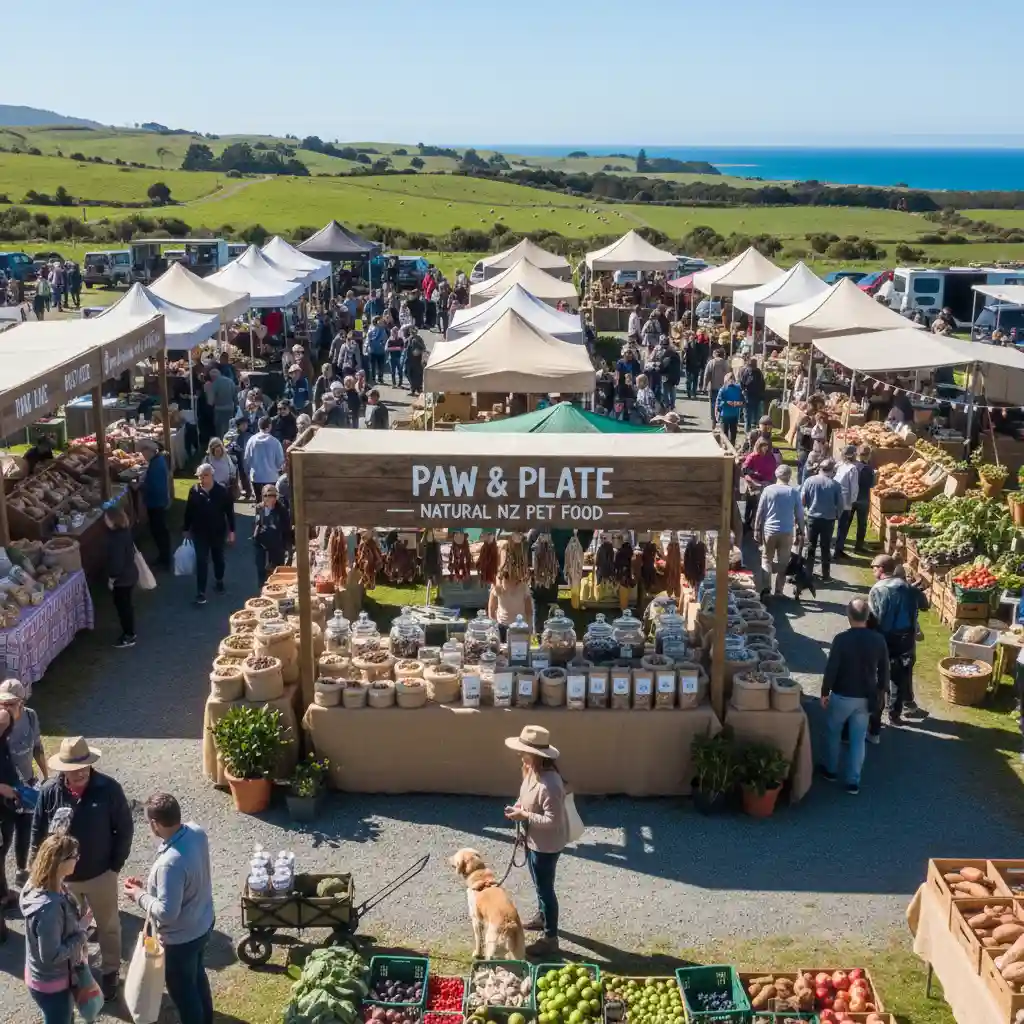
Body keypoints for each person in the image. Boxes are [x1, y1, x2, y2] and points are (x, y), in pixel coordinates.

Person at [30, 737, 133, 1002]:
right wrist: (36, 865)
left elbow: (124, 829)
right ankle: (79, 972)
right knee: (71, 931)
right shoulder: (50, 791)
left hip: (101, 875)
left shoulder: (109, 789)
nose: (81, 771)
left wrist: (114, 867)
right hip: (64, 880)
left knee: (109, 926)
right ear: (62, 769)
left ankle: (110, 971)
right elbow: (38, 829)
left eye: (85, 765)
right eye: (74, 767)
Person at [123, 794, 215, 1024]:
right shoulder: (196, 832)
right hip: (203, 923)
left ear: (155, 824)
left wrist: (139, 895)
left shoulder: (169, 864)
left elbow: (166, 912)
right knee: (197, 978)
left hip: (182, 939)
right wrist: (151, 889)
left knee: (184, 994)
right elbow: (183, 884)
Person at [503, 725, 568, 957]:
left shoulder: (550, 784)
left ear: (537, 755)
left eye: (524, 751)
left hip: (546, 846)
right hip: (534, 840)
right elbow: (525, 796)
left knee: (545, 889)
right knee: (540, 885)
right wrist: (518, 807)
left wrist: (525, 816)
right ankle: (543, 917)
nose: (521, 755)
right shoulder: (532, 772)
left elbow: (554, 820)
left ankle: (551, 938)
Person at [819, 598, 890, 794]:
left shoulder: (841, 639)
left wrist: (825, 692)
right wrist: (882, 692)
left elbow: (832, 668)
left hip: (842, 694)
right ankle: (853, 781)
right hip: (866, 697)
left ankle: (831, 770)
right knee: (858, 739)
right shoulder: (878, 640)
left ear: (848, 616)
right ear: (868, 617)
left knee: (833, 732)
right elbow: (885, 668)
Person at [21, 833, 89, 1024]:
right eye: (75, 856)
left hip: (41, 978)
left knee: (64, 1017)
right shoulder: (49, 909)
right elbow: (51, 956)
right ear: (60, 862)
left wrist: (76, 918)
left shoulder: (36, 884)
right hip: (53, 985)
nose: (78, 859)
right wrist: (81, 932)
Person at [869, 554, 929, 728]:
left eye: (874, 567)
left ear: (881, 569)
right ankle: (895, 715)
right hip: (905, 639)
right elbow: (925, 606)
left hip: (883, 638)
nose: (873, 570)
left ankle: (876, 716)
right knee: (900, 677)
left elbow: (873, 617)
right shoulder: (908, 588)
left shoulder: (877, 589)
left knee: (880, 676)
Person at [0, 680, 45, 894]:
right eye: (2, 703)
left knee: (26, 829)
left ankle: (20, 870)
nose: (5, 708)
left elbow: (37, 746)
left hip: (27, 784)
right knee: (4, 838)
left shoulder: (31, 716)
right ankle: (3, 891)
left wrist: (46, 776)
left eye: (11, 704)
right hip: (6, 792)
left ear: (22, 702)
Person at [182, 463, 235, 606]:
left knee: (218, 558)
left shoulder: (222, 491)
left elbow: (229, 513)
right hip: (199, 532)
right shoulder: (194, 491)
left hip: (218, 532)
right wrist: (186, 528)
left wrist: (232, 531)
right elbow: (189, 511)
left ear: (212, 475)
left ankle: (219, 580)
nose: (202, 479)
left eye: (204, 475)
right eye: (199, 476)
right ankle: (201, 592)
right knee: (201, 561)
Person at [754, 464, 804, 599]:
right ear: (789, 476)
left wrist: (757, 528)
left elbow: (760, 511)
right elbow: (799, 514)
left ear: (776, 475)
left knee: (766, 559)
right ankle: (779, 591)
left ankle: (766, 588)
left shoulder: (768, 490)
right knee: (783, 562)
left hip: (769, 530)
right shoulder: (794, 492)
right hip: (787, 532)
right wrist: (801, 531)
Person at [801, 458, 843, 582]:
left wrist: (804, 511)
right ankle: (826, 576)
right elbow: (840, 504)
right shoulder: (835, 485)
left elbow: (802, 499)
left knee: (810, 547)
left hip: (812, 518)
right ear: (831, 470)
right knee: (825, 548)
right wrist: (837, 515)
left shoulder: (809, 481)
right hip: (828, 520)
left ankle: (808, 573)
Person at [104, 506, 138, 649]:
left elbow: (116, 563)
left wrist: (112, 579)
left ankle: (128, 635)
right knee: (127, 605)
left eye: (106, 518)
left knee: (123, 606)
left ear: (113, 520)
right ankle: (130, 632)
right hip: (130, 574)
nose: (105, 521)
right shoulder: (125, 532)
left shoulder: (115, 538)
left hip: (122, 579)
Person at [487, 542, 535, 640]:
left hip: (520, 627)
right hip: (502, 627)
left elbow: (529, 610)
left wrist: (529, 628)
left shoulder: (523, 585)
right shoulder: (498, 585)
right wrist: (494, 627)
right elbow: (491, 609)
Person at [252, 483, 292, 588]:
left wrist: (288, 548)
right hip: (261, 541)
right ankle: (262, 588)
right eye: (266, 496)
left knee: (276, 569)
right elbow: (257, 522)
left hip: (276, 543)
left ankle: (276, 588)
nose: (269, 498)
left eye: (272, 495)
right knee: (260, 567)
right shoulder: (259, 507)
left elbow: (287, 528)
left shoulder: (281, 510)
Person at [741, 437, 779, 531]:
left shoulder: (770, 457)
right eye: (763, 446)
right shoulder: (752, 457)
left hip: (767, 484)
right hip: (754, 484)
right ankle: (747, 523)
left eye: (766, 447)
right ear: (759, 446)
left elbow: (774, 471)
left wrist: (772, 483)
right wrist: (752, 481)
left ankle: (757, 525)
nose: (765, 449)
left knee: (762, 507)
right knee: (751, 504)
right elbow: (745, 471)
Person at [244, 417, 285, 501]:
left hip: (256, 477)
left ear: (258, 426)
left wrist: (248, 473)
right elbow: (280, 462)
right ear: (270, 426)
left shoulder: (251, 440)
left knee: (259, 501)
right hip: (271, 477)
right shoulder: (275, 442)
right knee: (271, 502)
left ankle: (259, 514)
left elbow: (246, 460)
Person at [832, 444, 861, 560]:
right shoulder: (852, 469)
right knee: (842, 527)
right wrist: (853, 501)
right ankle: (838, 550)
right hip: (846, 501)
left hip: (836, 498)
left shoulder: (840, 466)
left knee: (833, 524)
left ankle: (834, 547)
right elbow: (854, 487)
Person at [853, 446, 876, 553]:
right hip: (862, 498)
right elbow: (870, 484)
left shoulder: (853, 465)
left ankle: (840, 545)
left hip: (852, 497)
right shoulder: (867, 469)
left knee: (846, 523)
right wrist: (875, 476)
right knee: (861, 524)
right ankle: (858, 547)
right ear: (868, 455)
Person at [203, 366, 236, 440]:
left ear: (212, 377)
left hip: (219, 410)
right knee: (229, 429)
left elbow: (210, 402)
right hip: (230, 409)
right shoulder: (230, 381)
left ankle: (221, 447)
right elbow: (235, 397)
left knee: (220, 431)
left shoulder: (214, 384)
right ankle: (229, 446)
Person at [702, 347, 729, 424]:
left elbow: (706, 375)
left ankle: (714, 419)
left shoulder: (711, 362)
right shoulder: (725, 363)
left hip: (712, 387)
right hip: (723, 387)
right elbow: (728, 375)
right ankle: (721, 418)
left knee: (713, 404)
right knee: (722, 403)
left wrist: (704, 386)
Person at [739, 356, 766, 430]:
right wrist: (744, 391)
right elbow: (742, 384)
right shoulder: (745, 372)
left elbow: (762, 384)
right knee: (748, 417)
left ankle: (756, 433)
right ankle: (748, 433)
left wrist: (761, 395)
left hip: (757, 397)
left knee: (757, 418)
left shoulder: (759, 372)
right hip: (748, 398)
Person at [715, 373, 744, 444]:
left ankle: (728, 448)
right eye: (730, 379)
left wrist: (739, 403)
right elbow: (719, 403)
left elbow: (742, 401)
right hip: (728, 415)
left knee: (730, 435)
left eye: (732, 379)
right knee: (728, 435)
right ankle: (728, 448)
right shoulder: (725, 389)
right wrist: (728, 403)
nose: (731, 381)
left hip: (730, 414)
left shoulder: (735, 389)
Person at [365, 317, 388, 385]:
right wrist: (366, 348)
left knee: (381, 366)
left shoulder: (383, 330)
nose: (381, 323)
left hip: (381, 351)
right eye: (379, 322)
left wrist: (383, 344)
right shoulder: (371, 330)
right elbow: (368, 340)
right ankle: (373, 379)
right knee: (373, 366)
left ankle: (380, 378)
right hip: (373, 351)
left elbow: (385, 339)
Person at [405, 329, 427, 396]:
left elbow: (423, 348)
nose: (413, 333)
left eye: (414, 332)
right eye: (411, 332)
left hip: (416, 360)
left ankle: (417, 389)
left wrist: (418, 352)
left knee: (417, 375)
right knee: (407, 373)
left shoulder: (418, 339)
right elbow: (405, 347)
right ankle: (413, 388)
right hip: (409, 359)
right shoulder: (409, 339)